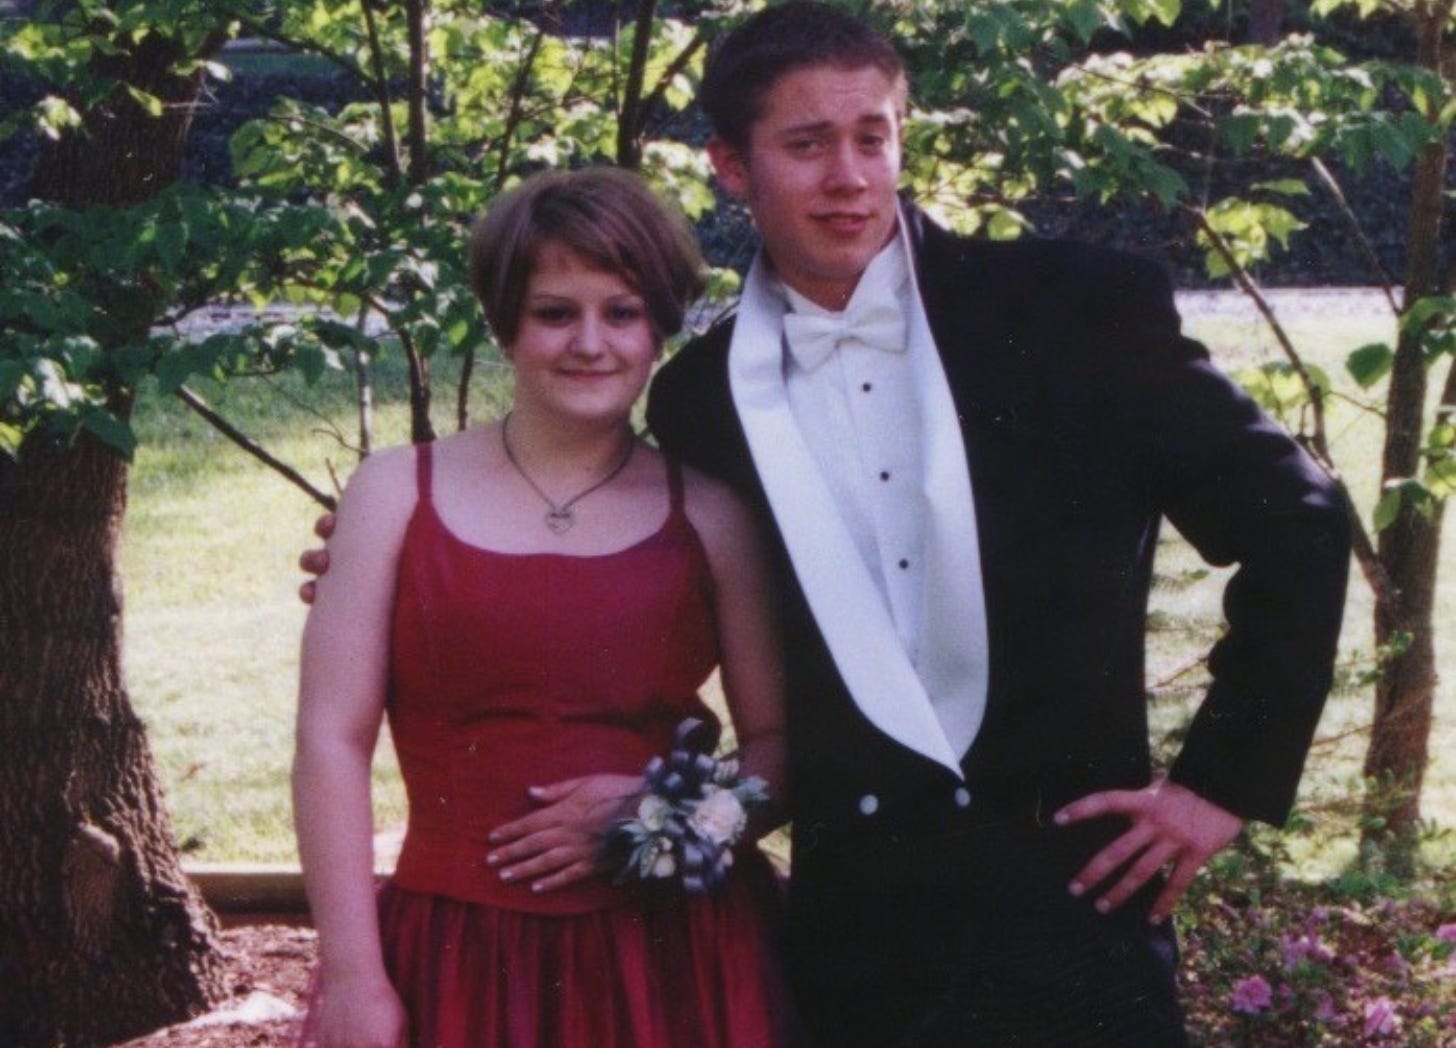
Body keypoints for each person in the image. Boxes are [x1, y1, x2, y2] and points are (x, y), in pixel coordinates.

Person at [302, 6, 1352, 1044]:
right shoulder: (698, 402)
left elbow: (1297, 516)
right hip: (857, 944)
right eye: (805, 145)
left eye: (871, 138)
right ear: (730, 164)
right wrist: (405, 571)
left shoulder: (1067, 308)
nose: (847, 177)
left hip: (1074, 903)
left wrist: (1220, 783)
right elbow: (616, 568)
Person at [293, 167, 797, 1048]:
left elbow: (780, 747)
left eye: (623, 312)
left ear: (661, 329)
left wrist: (666, 814)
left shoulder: (711, 514)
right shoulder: (393, 495)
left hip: (675, 956)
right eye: (555, 313)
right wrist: (351, 974)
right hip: (456, 948)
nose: (590, 343)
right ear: (504, 324)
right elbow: (331, 740)